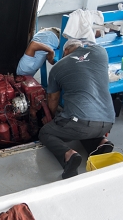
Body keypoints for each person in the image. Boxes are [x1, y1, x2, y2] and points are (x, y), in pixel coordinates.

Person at [38, 39, 115, 179]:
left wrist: (52, 119)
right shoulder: (100, 52)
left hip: (81, 123)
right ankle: (101, 143)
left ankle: (69, 156)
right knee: (83, 125)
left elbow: (53, 99)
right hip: (108, 121)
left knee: (46, 132)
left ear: (65, 51)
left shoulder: (57, 67)